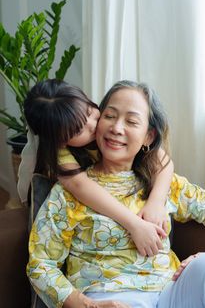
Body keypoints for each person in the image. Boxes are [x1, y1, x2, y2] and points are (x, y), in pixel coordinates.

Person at [27, 80, 205, 308]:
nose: (116, 128)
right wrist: (89, 305)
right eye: (110, 116)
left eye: (132, 121)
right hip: (110, 299)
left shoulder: (162, 182)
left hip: (171, 294)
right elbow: (41, 264)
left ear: (148, 137)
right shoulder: (67, 192)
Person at [21, 79, 174, 257]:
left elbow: (162, 159)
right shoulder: (60, 154)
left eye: (90, 113)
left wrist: (156, 202)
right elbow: (81, 187)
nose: (94, 125)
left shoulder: (111, 128)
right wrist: (134, 224)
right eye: (79, 130)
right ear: (63, 140)